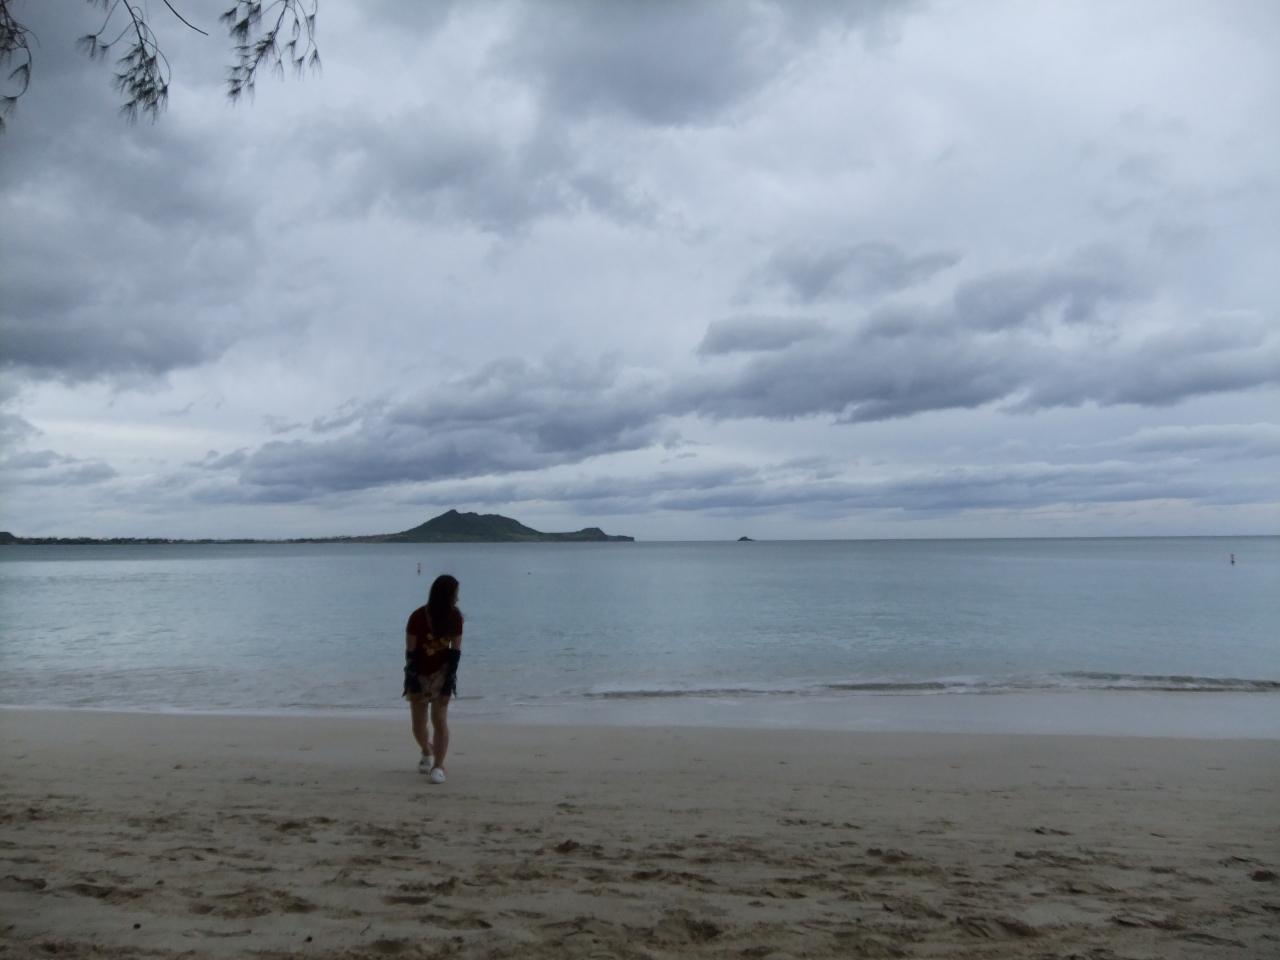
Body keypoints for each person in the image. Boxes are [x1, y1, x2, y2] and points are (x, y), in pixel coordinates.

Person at [403, 574, 463, 783]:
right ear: (445, 596)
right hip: (418, 672)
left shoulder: (455, 617)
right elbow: (410, 654)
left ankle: (438, 765)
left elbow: (455, 652)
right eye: (455, 594)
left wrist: (449, 685)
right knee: (418, 726)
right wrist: (412, 681)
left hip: (442, 672)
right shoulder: (417, 617)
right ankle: (426, 750)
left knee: (439, 719)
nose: (457, 598)